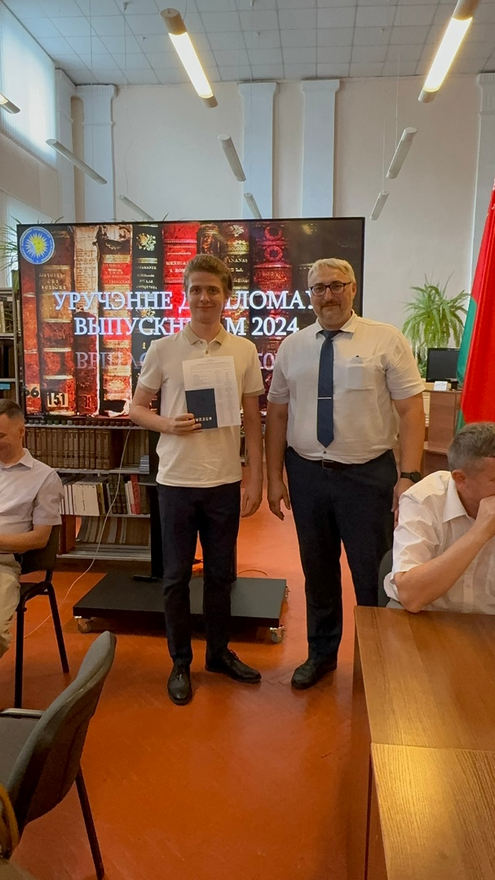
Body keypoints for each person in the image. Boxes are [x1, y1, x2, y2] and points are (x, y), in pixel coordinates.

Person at [265, 258, 425, 689]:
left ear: (353, 289)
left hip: (367, 478)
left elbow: (411, 411)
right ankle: (321, 655)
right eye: (319, 288)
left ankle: (378, 662)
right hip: (307, 475)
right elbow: (277, 415)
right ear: (309, 295)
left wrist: (409, 475)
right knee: (317, 571)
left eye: (337, 285)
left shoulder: (385, 339)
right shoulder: (292, 347)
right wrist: (275, 478)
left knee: (372, 573)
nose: (328, 295)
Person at [129, 254, 264, 705]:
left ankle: (219, 653)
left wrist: (255, 479)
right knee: (175, 578)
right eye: (196, 289)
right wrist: (168, 424)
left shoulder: (243, 350)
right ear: (185, 295)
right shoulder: (163, 349)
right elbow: (136, 408)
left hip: (224, 481)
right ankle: (180, 662)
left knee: (222, 576)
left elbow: (253, 420)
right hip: (176, 481)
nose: (204, 297)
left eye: (212, 290)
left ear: (227, 296)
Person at [385, 421, 495, 613]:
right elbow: (410, 596)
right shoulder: (423, 500)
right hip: (423, 615)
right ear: (460, 479)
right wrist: (479, 533)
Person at [0, 399, 63, 657]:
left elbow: (39, 539)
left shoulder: (44, 477)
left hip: (3, 563)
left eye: (0, 436)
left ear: (21, 432)